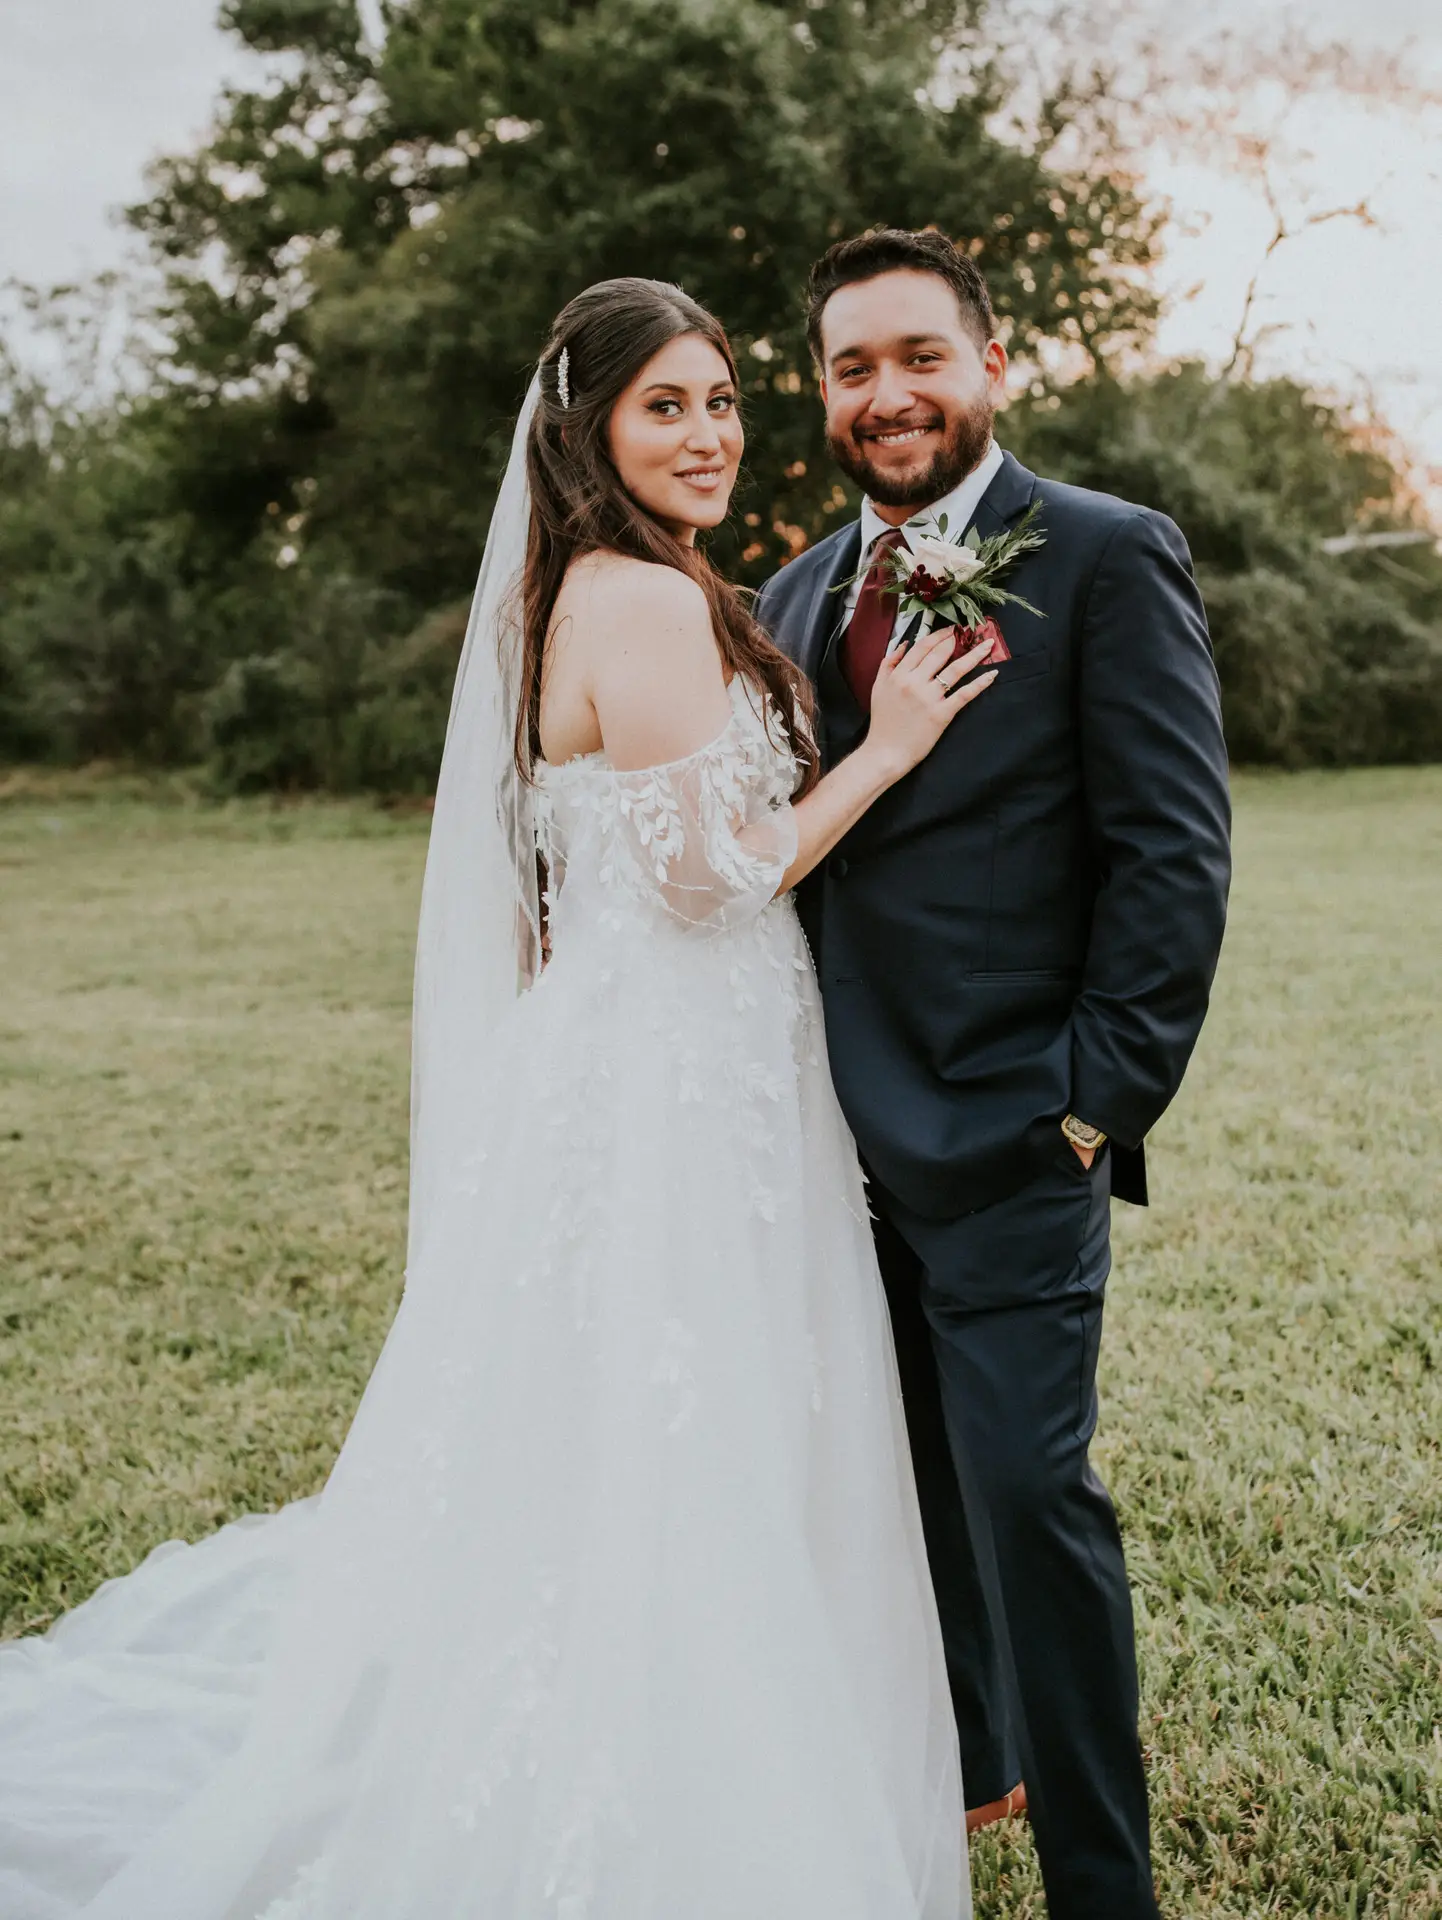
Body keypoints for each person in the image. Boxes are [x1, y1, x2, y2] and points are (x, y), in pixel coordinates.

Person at [0, 278, 1001, 1919]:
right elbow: (697, 882)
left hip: (650, 1071)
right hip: (681, 1089)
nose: (709, 434)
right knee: (696, 1430)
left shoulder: (585, 588)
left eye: (724, 402)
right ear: (591, 427)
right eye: (664, 406)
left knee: (618, 1431)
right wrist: (882, 750)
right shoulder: (647, 602)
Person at [754, 227, 1232, 1920]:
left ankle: (1103, 1889)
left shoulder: (1104, 556)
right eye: (848, 367)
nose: (883, 396)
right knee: (893, 1504)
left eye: (915, 358)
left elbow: (1171, 854)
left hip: (1017, 1134)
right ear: (820, 391)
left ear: (990, 368)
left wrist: (1094, 1098)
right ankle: (962, 1782)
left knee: (1032, 1502)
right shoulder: (786, 598)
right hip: (823, 1154)